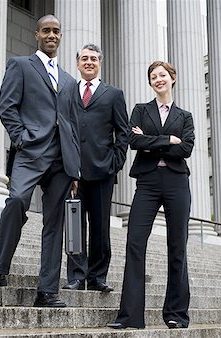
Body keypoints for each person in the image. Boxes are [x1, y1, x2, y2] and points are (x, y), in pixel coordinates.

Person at [0, 15, 80, 308]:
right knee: (17, 200)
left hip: (62, 160)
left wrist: (75, 168)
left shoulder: (69, 80)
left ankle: (47, 291)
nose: (51, 35)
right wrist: (21, 138)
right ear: (37, 34)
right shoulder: (20, 65)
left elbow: (72, 124)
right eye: (46, 30)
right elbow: (7, 106)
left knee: (54, 224)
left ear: (61, 36)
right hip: (30, 152)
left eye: (56, 31)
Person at [107, 61, 194, 329]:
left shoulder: (185, 116)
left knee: (177, 245)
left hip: (177, 182)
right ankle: (131, 316)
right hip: (147, 182)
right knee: (135, 242)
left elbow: (187, 148)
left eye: (162, 75)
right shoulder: (140, 110)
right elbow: (133, 142)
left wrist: (151, 141)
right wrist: (168, 140)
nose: (158, 79)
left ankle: (176, 315)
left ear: (172, 79)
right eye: (153, 76)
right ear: (150, 83)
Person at [62, 44, 128, 293]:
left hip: (102, 172)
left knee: (100, 227)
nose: (89, 62)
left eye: (93, 59)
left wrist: (115, 163)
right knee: (74, 224)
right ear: (78, 63)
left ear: (100, 63)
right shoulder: (67, 92)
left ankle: (98, 276)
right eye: (84, 58)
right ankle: (77, 276)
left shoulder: (114, 94)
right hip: (72, 171)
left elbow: (123, 133)